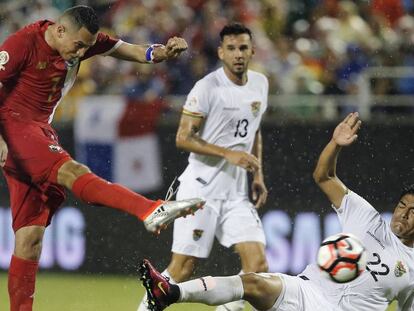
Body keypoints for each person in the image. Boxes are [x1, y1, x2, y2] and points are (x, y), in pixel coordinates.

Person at [0, 5, 205, 311]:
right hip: (14, 127)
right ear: (59, 30)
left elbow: (129, 50)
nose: (81, 52)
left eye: (86, 46)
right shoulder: (22, 43)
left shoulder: (81, 41)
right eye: (78, 45)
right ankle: (149, 209)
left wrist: (162, 53)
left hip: (38, 131)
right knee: (71, 171)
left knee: (30, 239)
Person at [139, 112, 414, 311]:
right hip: (306, 291)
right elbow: (324, 177)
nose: (404, 214)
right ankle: (171, 292)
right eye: (402, 205)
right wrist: (335, 145)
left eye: (413, 212)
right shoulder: (368, 218)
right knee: (253, 282)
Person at [137, 22, 269, 311]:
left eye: (243, 48)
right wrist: (228, 154)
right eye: (231, 48)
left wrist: (257, 174)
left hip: (236, 193)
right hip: (200, 189)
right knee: (182, 268)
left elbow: (254, 130)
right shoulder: (207, 87)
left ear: (252, 51)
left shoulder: (261, 83)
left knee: (257, 266)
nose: (238, 54)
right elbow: (183, 137)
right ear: (221, 53)